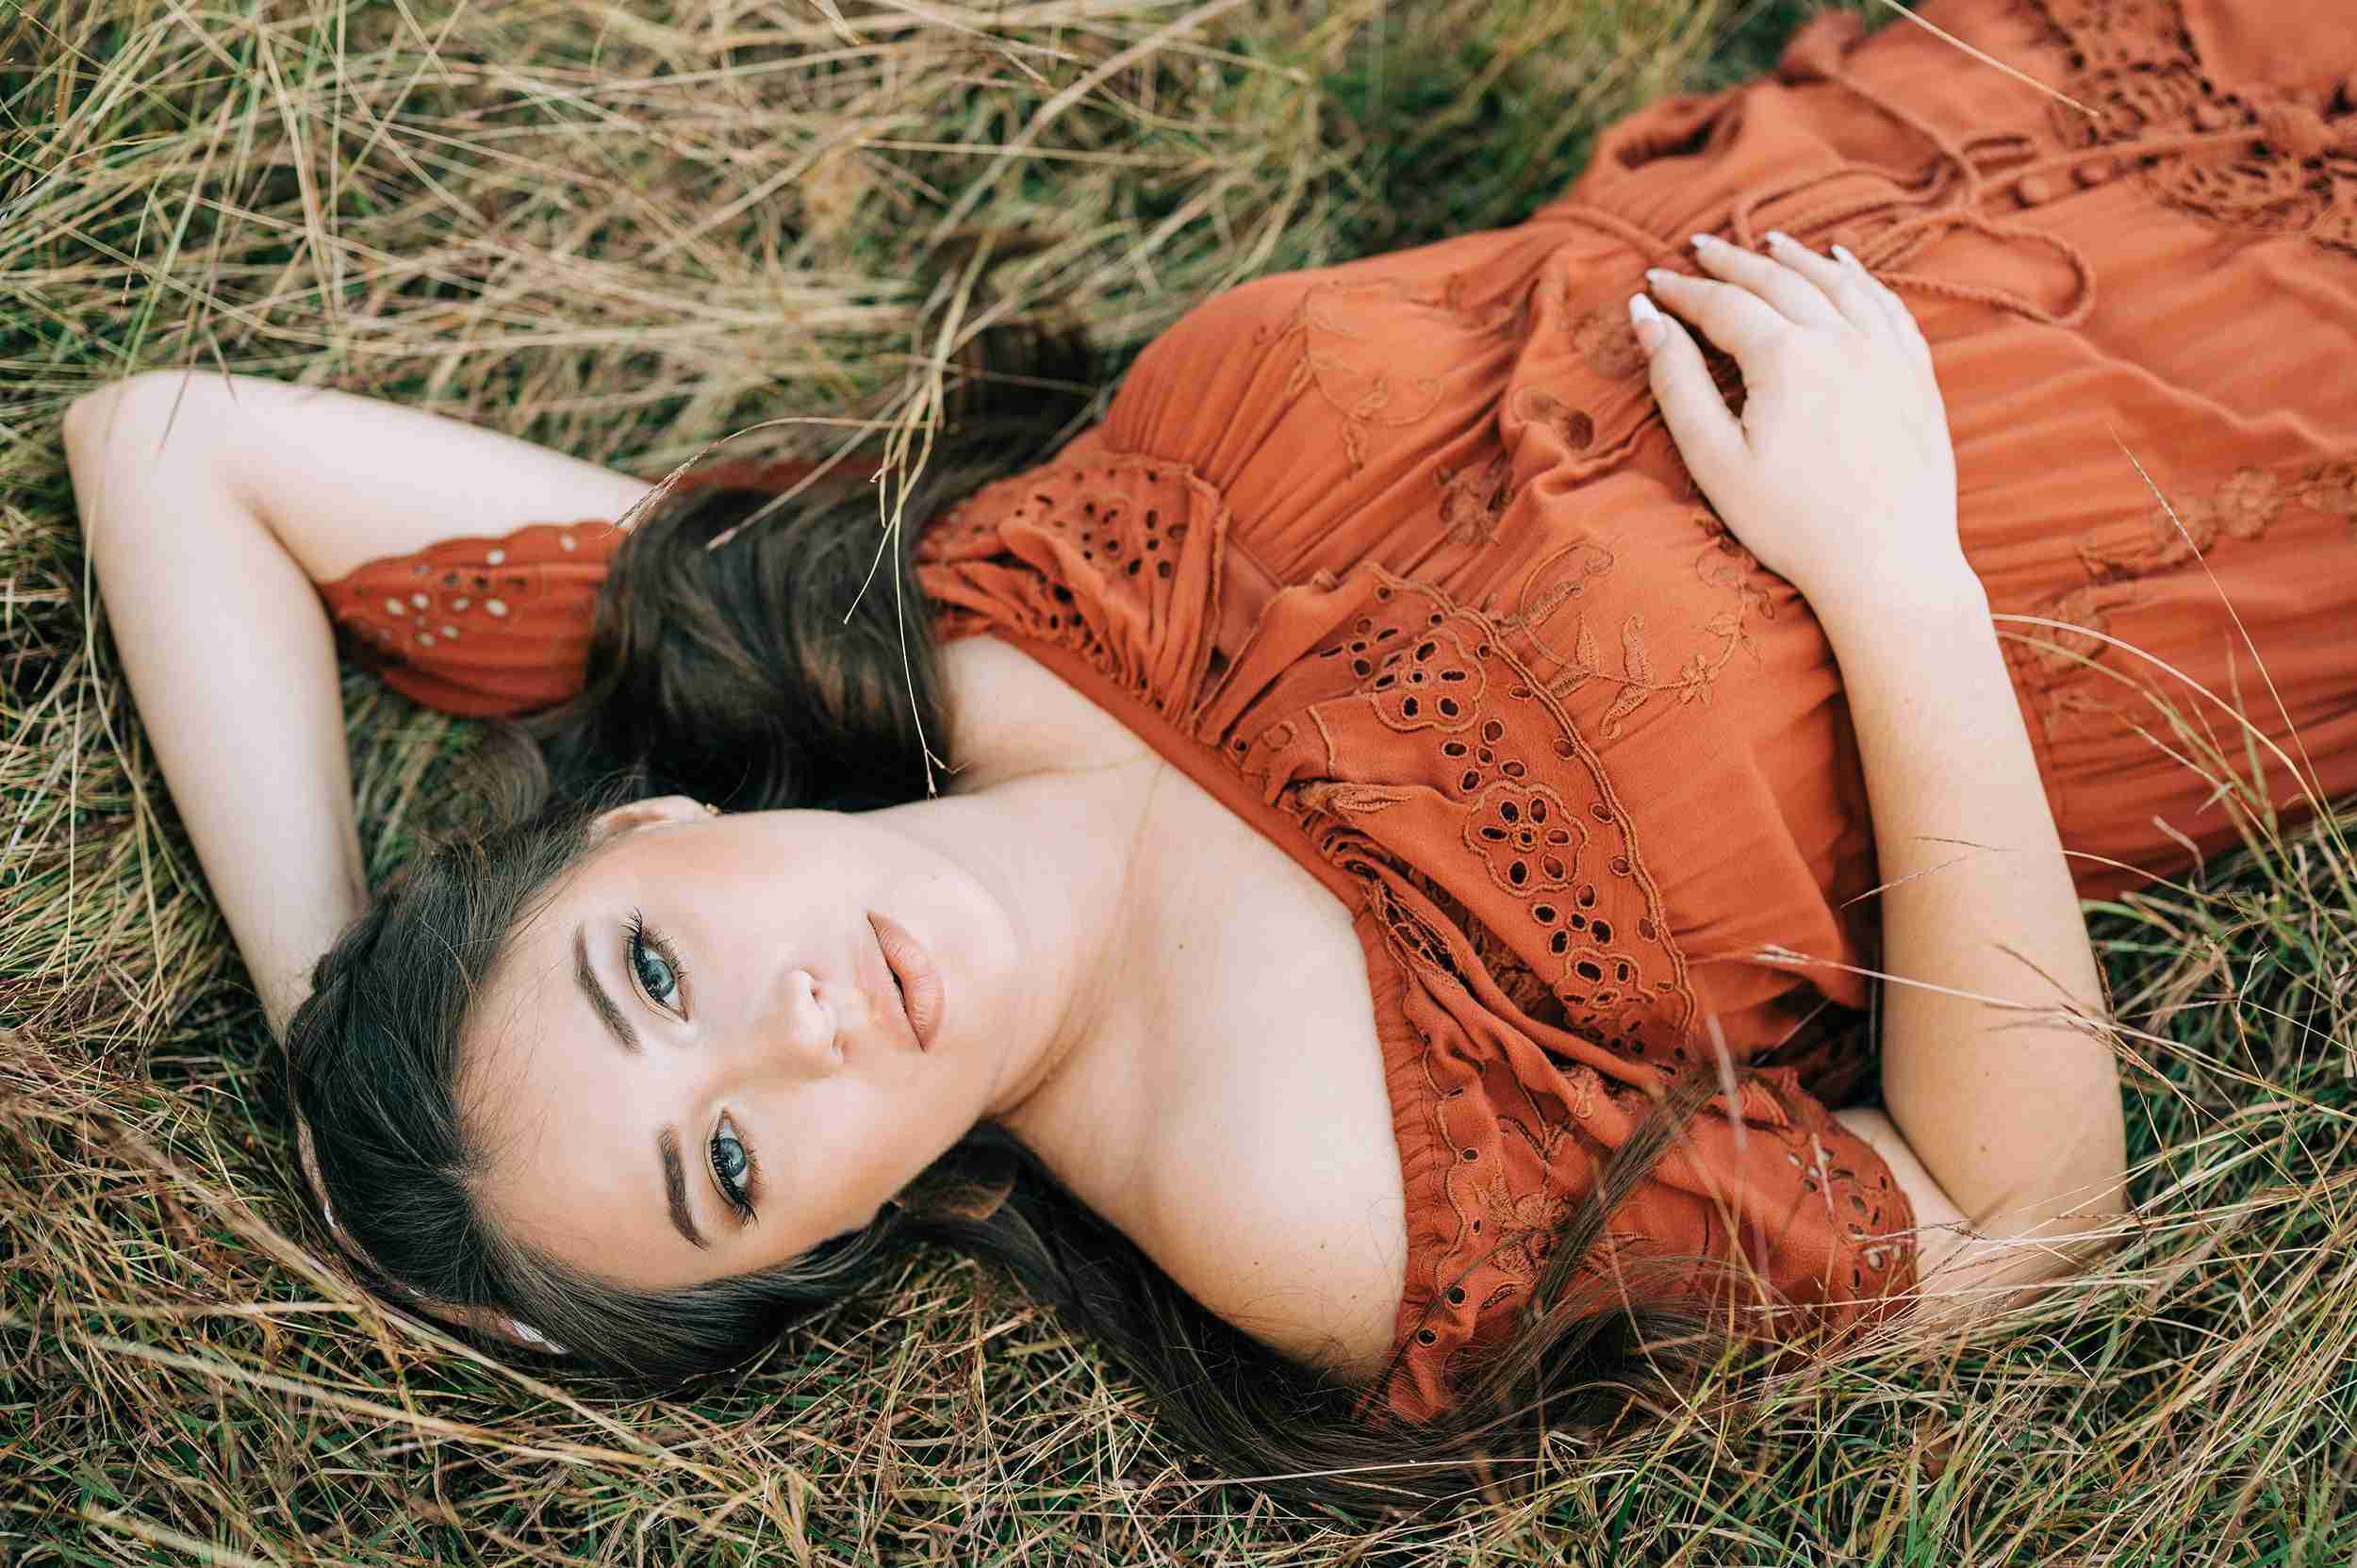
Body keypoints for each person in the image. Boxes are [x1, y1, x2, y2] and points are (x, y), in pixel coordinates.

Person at [59, 0, 2357, 1511]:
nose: (800, 1025)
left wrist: (330, 1043)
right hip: (2240, 441)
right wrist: (1890, 577)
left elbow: (172, 446)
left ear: (646, 825)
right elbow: (2010, 1229)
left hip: (2007, 89)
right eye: (729, 1166)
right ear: (839, 1238)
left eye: (649, 974)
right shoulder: (1307, 1199)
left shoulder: (903, 626)